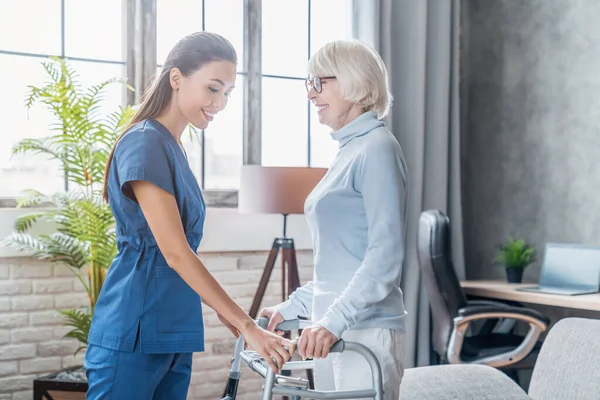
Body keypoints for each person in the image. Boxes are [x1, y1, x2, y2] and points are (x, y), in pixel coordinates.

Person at [85, 32, 295, 399]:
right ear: (176, 78)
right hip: (135, 329)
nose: (221, 103)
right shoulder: (145, 141)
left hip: (173, 330)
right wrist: (246, 325)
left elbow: (180, 257)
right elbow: (175, 253)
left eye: (228, 92)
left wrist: (224, 311)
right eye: (213, 88)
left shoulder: (172, 147)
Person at [260, 39, 408, 399]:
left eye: (319, 82)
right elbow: (341, 267)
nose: (311, 94)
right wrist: (293, 306)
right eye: (308, 84)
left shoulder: (377, 148)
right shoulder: (350, 150)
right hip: (332, 329)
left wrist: (332, 321)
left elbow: (384, 257)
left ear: (354, 81)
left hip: (363, 331)